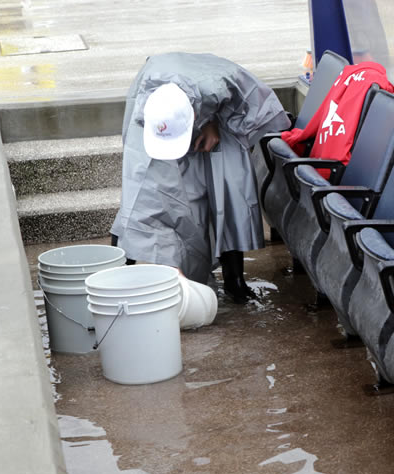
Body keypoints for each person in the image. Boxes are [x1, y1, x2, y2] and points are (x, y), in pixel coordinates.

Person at [110, 53, 289, 303]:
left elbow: (251, 110)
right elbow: (149, 196)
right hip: (171, 100)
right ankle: (117, 273)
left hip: (218, 107)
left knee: (230, 185)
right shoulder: (145, 109)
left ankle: (235, 279)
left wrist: (211, 120)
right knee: (144, 189)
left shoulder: (217, 87)